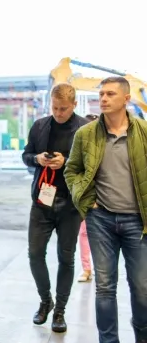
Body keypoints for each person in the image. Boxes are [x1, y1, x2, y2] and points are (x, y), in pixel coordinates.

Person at [64, 77, 147, 343]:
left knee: (142, 286)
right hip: (101, 220)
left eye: (110, 94)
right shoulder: (86, 134)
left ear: (126, 99)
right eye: (101, 94)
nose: (103, 98)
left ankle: (143, 329)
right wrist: (86, 201)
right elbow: (71, 170)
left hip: (137, 221)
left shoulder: (143, 132)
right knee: (104, 287)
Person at [21, 83, 88, 333]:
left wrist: (66, 162)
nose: (59, 113)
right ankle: (45, 300)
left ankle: (60, 310)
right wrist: (37, 159)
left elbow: (92, 166)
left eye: (63, 109)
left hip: (70, 204)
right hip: (42, 201)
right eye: (55, 108)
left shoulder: (85, 129)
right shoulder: (40, 126)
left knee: (66, 258)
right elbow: (26, 156)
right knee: (35, 254)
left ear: (74, 105)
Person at [76, 113, 99, 283]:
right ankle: (87, 269)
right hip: (85, 198)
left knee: (102, 236)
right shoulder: (79, 149)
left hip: (105, 199)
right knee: (83, 233)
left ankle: (101, 268)